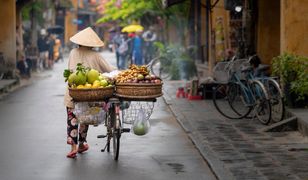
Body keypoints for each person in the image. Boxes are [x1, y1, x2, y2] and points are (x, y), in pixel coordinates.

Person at [64, 27, 116, 158]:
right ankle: (81, 144)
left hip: (74, 91)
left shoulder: (72, 52)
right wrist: (118, 71)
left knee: (73, 118)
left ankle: (73, 146)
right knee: (84, 117)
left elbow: (70, 71)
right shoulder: (96, 55)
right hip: (90, 92)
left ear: (79, 42)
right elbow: (109, 70)